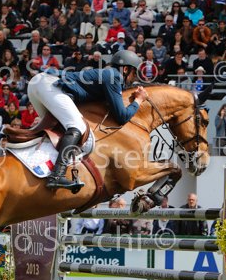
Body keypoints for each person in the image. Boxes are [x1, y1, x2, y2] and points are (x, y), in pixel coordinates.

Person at [27, 49, 146, 191]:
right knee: (78, 126)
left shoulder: (107, 74)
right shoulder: (114, 76)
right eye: (134, 74)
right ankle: (57, 175)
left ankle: (38, 164)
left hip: (39, 84)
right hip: (49, 85)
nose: (133, 79)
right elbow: (122, 116)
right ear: (125, 69)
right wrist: (138, 101)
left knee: (56, 129)